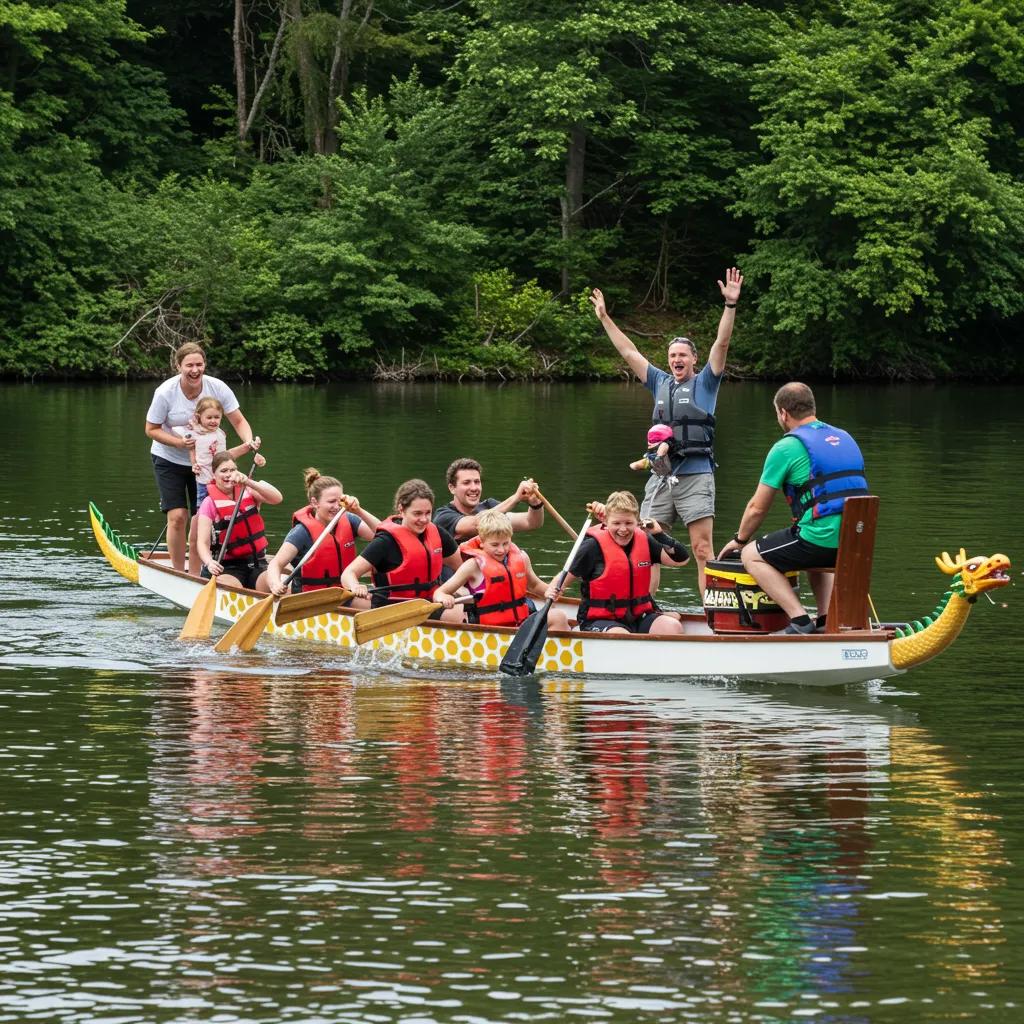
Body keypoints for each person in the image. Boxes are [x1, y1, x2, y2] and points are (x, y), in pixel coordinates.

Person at [590, 268, 743, 592]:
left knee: (702, 550)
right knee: (645, 546)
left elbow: (723, 342)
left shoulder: (706, 382)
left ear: (693, 360)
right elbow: (628, 351)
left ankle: (711, 616)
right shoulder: (659, 381)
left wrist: (730, 305)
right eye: (672, 355)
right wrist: (604, 318)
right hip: (660, 475)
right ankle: (643, 609)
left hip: (696, 475)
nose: (676, 359)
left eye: (682, 355)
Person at [716, 382, 868, 634]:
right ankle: (825, 619)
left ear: (783, 413)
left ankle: (799, 620)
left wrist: (740, 540)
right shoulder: (845, 437)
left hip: (820, 542)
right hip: (855, 543)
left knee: (751, 555)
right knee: (807, 545)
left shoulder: (786, 447)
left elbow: (757, 508)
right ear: (812, 407)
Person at [145, 342, 256, 573]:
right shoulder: (166, 392)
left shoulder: (218, 387)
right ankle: (177, 571)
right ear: (178, 367)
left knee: (200, 521)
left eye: (199, 364)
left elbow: (238, 421)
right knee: (177, 517)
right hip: (169, 459)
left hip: (207, 466)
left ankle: (196, 574)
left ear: (204, 365)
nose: (194, 370)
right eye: (189, 365)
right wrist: (180, 443)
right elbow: (151, 429)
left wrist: (248, 442)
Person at [544, 491, 691, 635]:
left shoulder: (645, 539)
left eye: (628, 523)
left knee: (672, 627)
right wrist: (553, 589)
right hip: (600, 620)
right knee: (621, 636)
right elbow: (563, 578)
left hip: (639, 617)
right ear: (606, 522)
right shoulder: (591, 547)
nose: (623, 529)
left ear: (637, 521)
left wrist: (659, 534)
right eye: (616, 523)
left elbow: (681, 560)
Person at [341, 479, 465, 622]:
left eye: (428, 513)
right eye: (417, 513)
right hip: (392, 608)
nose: (424, 519)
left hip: (429, 603)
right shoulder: (385, 542)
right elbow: (348, 573)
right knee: (453, 614)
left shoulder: (437, 533)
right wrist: (355, 586)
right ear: (401, 509)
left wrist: (452, 590)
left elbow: (461, 567)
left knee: (459, 606)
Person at [431, 509, 570, 630]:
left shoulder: (521, 558)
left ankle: (553, 654)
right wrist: (444, 597)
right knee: (558, 616)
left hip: (520, 624)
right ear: (482, 542)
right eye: (494, 545)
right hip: (491, 630)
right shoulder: (472, 566)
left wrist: (551, 591)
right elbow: (439, 592)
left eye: (506, 543)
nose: (501, 549)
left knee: (557, 616)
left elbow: (534, 585)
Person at [264, 469, 381, 608]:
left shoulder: (350, 520)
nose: (337, 507)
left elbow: (382, 534)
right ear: (314, 502)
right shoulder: (301, 532)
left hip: (343, 593)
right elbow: (275, 563)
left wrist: (359, 510)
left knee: (379, 604)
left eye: (340, 501)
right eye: (331, 502)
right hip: (310, 598)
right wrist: (275, 584)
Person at [194, 452, 283, 591]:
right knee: (235, 589)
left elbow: (277, 498)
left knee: (278, 583)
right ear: (214, 475)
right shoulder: (209, 503)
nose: (229, 474)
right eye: (224, 471)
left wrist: (248, 481)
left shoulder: (249, 490)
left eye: (233, 470)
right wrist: (209, 562)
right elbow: (202, 542)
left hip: (257, 564)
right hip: (228, 568)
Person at [172, 397, 263, 502]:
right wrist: (194, 465)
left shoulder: (220, 434)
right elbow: (192, 451)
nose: (213, 421)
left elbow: (225, 456)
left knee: (223, 508)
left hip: (223, 481)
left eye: (217, 417)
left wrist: (249, 445)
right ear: (199, 417)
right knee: (202, 508)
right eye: (209, 417)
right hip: (204, 481)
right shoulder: (193, 434)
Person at [433, 458, 545, 540]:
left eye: (477, 482)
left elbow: (531, 522)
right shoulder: (443, 516)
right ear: (452, 488)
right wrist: (515, 498)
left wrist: (535, 504)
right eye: (466, 483)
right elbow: (475, 525)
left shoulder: (491, 506)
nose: (474, 488)